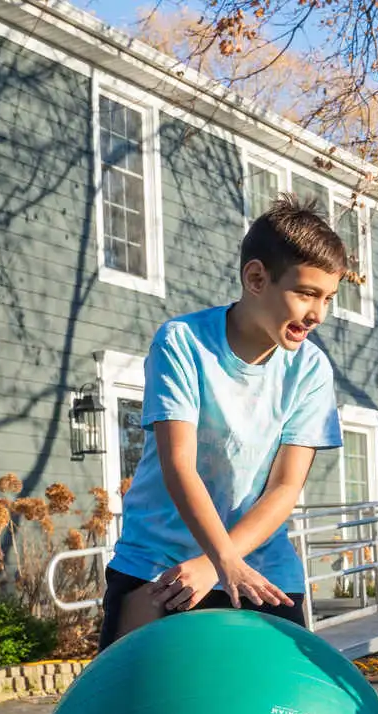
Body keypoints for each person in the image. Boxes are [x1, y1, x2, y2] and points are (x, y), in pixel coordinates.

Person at [99, 196, 343, 649]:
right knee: (132, 706)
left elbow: (284, 488)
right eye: (306, 293)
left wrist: (220, 562)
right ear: (255, 279)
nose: (318, 314)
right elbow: (179, 465)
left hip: (260, 566)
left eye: (328, 298)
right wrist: (217, 559)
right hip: (159, 564)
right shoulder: (183, 342)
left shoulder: (312, 370)